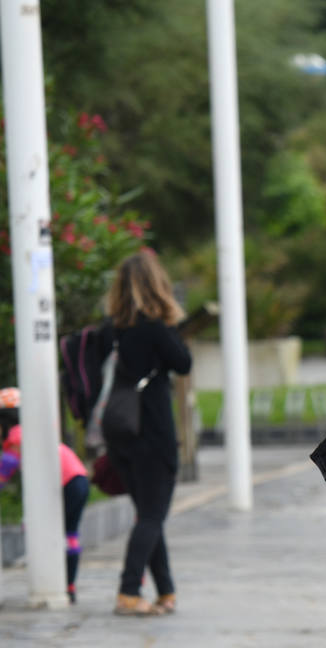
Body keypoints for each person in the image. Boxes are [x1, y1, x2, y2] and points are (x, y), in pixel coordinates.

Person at [103, 249, 193, 616]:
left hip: (120, 430)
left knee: (148, 513)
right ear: (156, 286)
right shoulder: (156, 329)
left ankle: (166, 591)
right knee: (153, 514)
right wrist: (171, 327)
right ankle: (128, 591)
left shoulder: (113, 331)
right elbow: (183, 362)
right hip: (153, 433)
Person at [0, 389, 90, 604]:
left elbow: (7, 466)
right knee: (69, 535)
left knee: (39, 529)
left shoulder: (17, 435)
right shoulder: (36, 430)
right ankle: (68, 587)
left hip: (65, 483)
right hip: (79, 478)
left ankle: (48, 586)